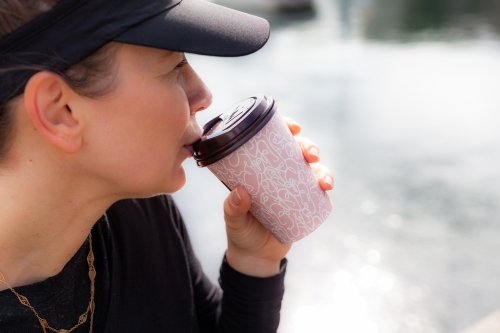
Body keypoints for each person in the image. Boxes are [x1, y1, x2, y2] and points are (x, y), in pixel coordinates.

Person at [0, 0, 334, 332]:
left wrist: (255, 262)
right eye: (174, 66)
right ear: (61, 112)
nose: (204, 94)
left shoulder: (144, 216)